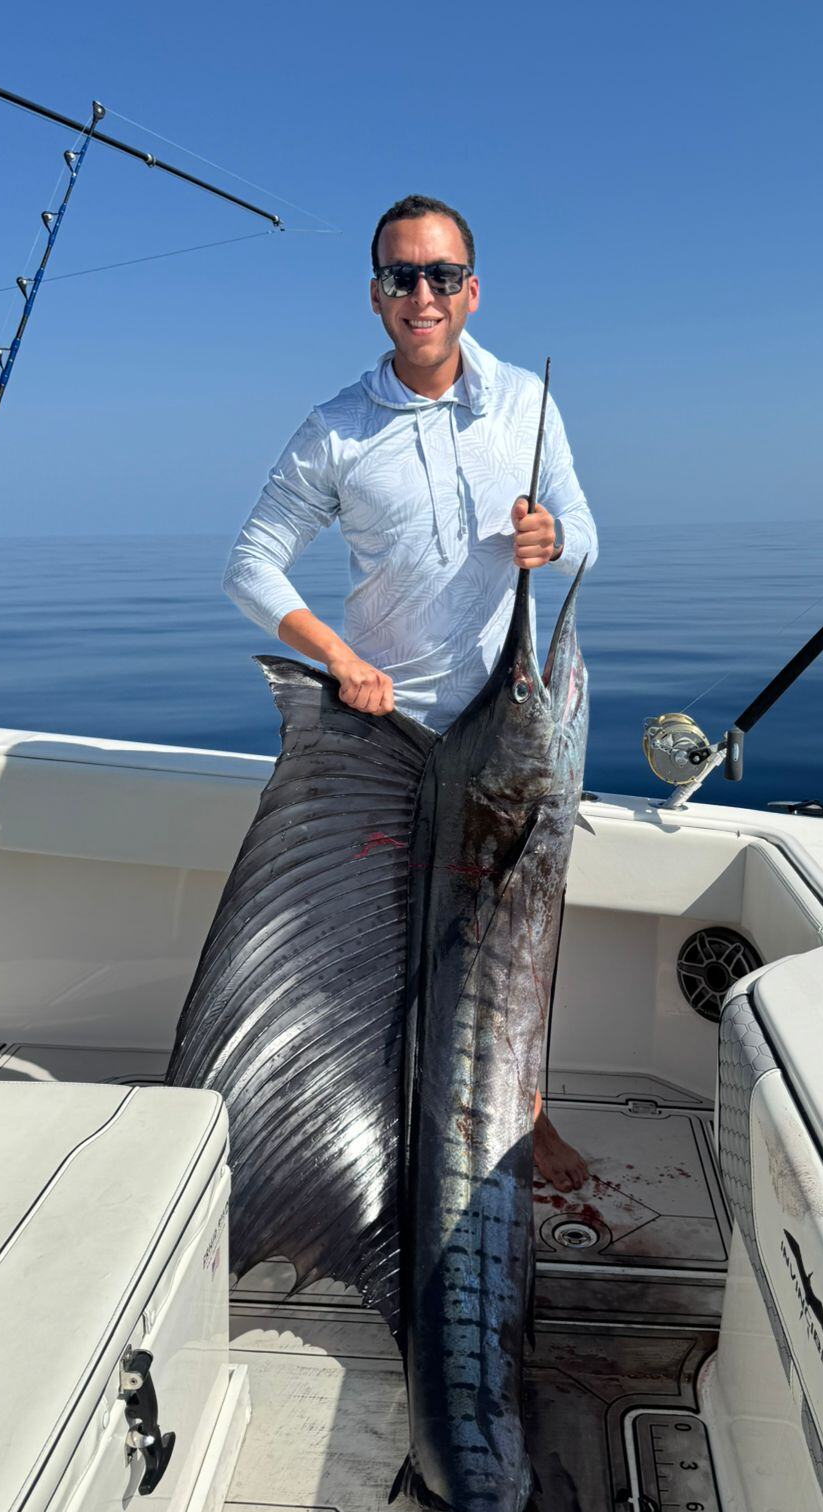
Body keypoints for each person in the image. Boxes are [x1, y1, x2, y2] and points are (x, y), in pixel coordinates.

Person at [223, 193, 595, 1192]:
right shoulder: (337, 429)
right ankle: (371, 1146)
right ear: (377, 297)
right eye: (401, 276)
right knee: (380, 952)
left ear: (471, 291)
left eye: (440, 275)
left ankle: (530, 1126)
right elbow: (251, 567)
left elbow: (588, 537)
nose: (421, 294)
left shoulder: (526, 404)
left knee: (510, 961)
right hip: (383, 741)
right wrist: (339, 658)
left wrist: (551, 539)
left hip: (501, 746)